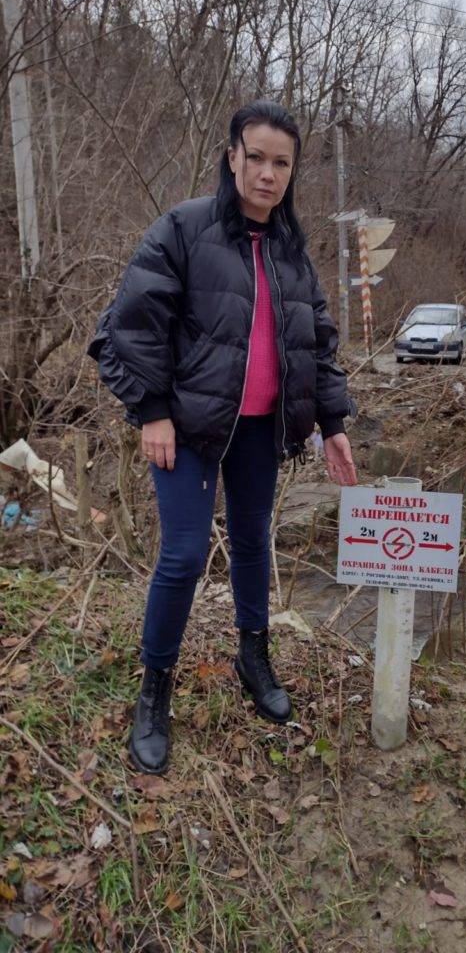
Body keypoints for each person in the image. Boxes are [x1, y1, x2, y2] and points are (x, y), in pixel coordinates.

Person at [87, 100, 357, 775]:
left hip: (263, 430)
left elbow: (317, 344)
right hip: (189, 430)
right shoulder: (184, 228)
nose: (268, 174)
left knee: (251, 541)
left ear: (293, 173)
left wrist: (335, 424)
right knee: (181, 556)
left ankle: (253, 654)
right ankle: (155, 692)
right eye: (256, 157)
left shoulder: (293, 250)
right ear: (232, 155)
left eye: (281, 163)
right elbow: (128, 327)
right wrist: (150, 411)